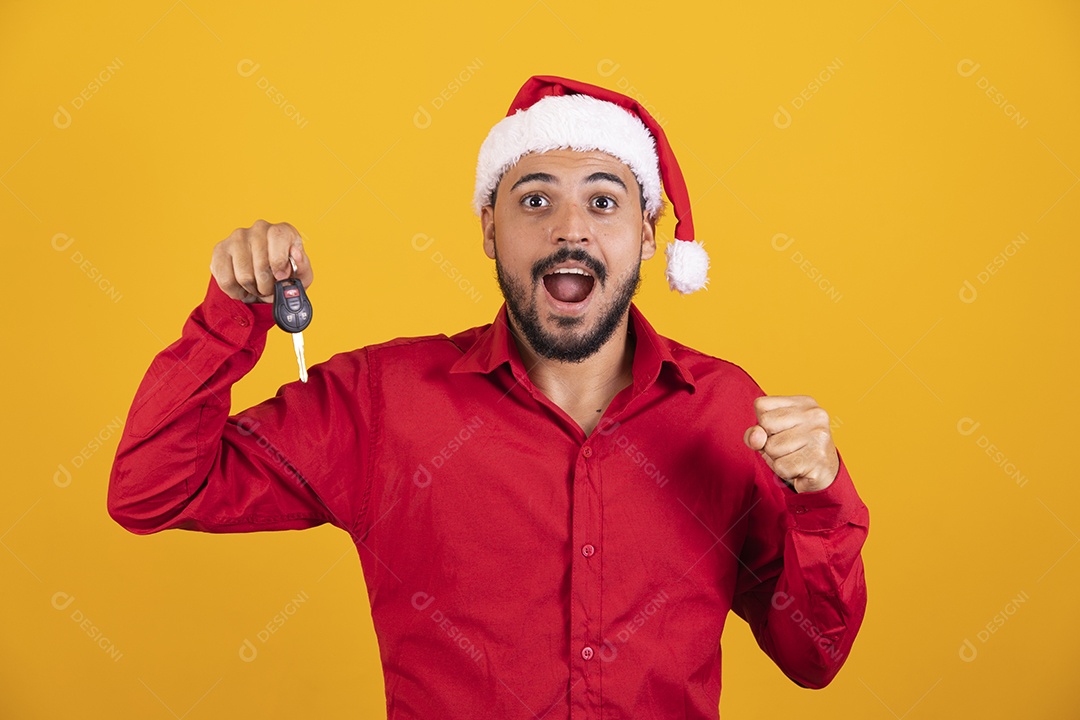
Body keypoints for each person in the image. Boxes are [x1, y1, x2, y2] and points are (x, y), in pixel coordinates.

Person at [109, 75, 869, 719]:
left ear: (647, 233)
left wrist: (822, 498)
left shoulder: (725, 409)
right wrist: (230, 314)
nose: (569, 230)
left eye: (603, 203)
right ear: (487, 228)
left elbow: (814, 655)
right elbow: (151, 490)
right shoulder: (382, 402)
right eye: (534, 202)